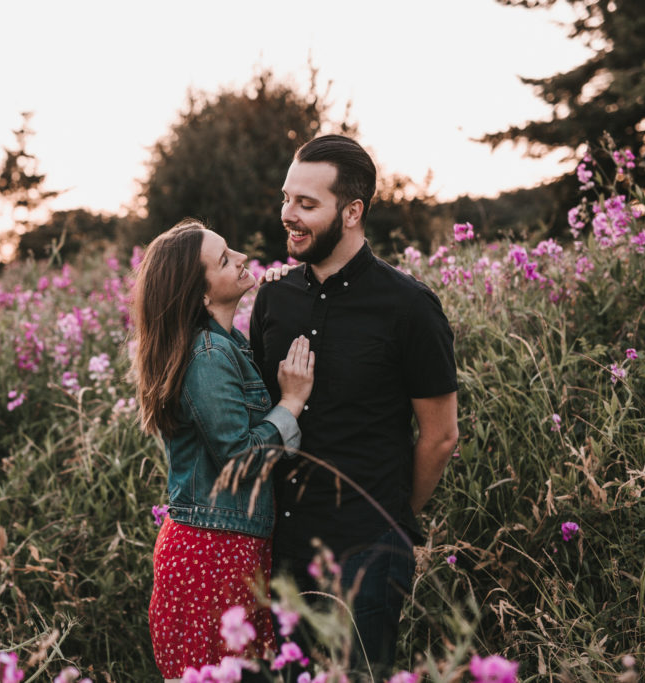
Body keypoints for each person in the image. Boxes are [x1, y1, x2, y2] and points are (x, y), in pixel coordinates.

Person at [249, 135, 459, 678]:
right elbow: (259, 415)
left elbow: (440, 436)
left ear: (352, 211)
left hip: (367, 554)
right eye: (287, 198)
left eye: (307, 203)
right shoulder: (273, 298)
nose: (288, 215)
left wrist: (393, 521)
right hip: (282, 547)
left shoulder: (409, 306)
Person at [131, 218, 315, 682]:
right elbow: (239, 461)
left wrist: (281, 281)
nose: (242, 258)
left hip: (225, 546)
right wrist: (292, 402)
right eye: (225, 259)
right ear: (200, 294)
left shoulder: (225, 344)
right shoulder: (209, 355)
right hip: (211, 554)